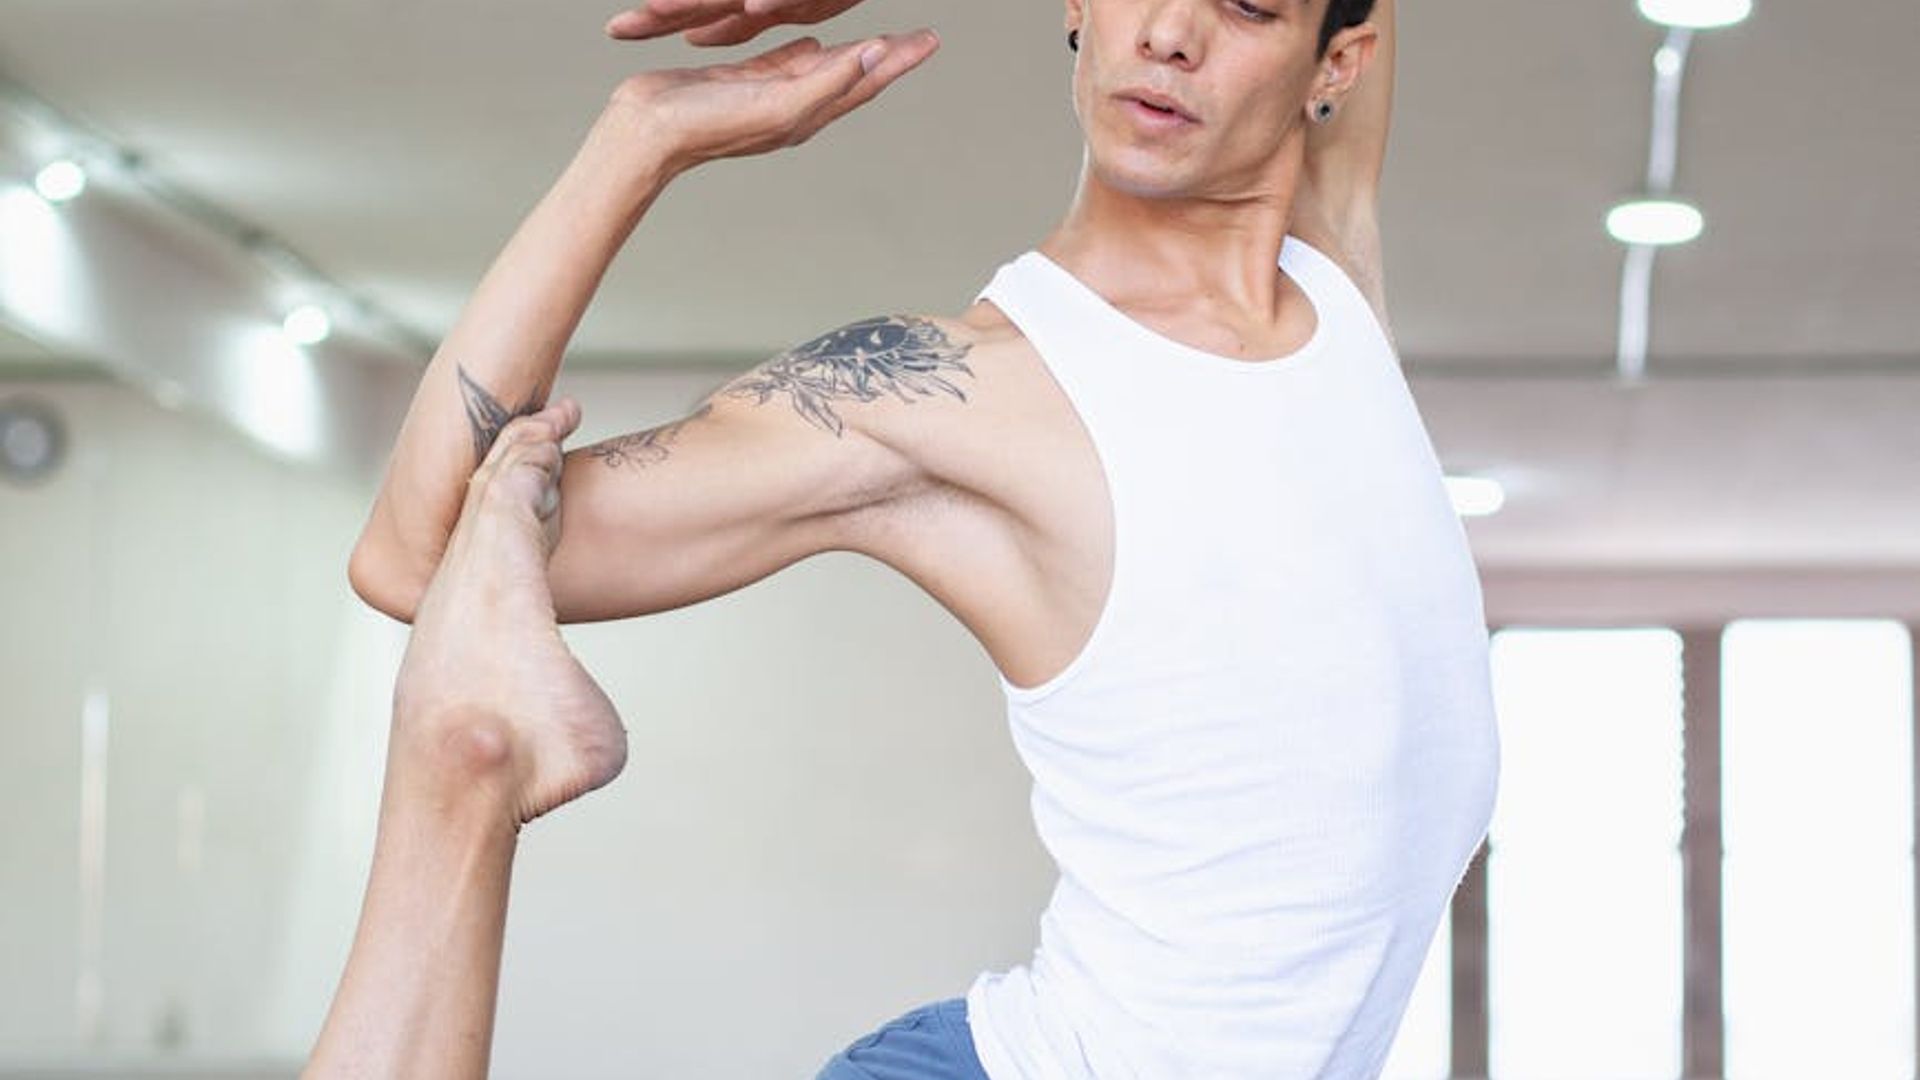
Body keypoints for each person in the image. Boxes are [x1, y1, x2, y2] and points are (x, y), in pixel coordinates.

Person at [332, 0, 1502, 1075]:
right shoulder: (944, 393)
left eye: (1247, 4)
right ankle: (463, 781)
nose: (1171, 33)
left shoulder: (1331, 277)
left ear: (1335, 62)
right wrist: (639, 144)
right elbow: (422, 556)